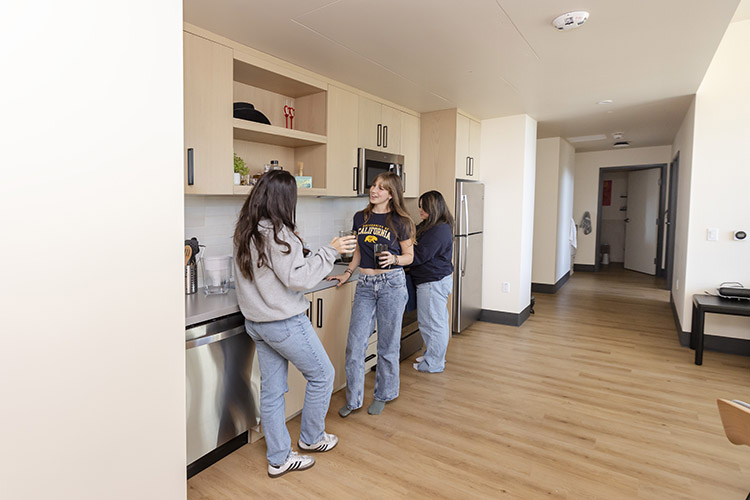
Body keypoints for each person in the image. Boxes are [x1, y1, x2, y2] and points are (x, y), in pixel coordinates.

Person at [233, 169, 356, 478]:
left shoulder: (246, 229)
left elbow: (279, 270)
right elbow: (297, 278)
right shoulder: (277, 233)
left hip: (258, 324)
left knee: (272, 392)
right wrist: (331, 250)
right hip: (284, 322)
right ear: (284, 199)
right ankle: (312, 438)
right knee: (323, 375)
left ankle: (279, 458)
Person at [328, 172, 415, 416]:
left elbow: (410, 256)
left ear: (391, 194)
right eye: (374, 185)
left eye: (381, 188)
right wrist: (347, 273)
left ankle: (384, 394)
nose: (374, 190)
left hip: (392, 284)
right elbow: (357, 251)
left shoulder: (401, 221)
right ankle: (353, 399)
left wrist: (396, 258)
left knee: (387, 346)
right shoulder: (361, 217)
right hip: (365, 284)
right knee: (355, 345)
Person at [409, 191, 454, 373]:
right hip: (436, 280)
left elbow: (419, 256)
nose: (420, 210)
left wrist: (399, 256)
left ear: (433, 208)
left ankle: (433, 363)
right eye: (420, 206)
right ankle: (433, 355)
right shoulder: (434, 225)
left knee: (432, 324)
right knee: (437, 322)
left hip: (432, 282)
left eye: (423, 207)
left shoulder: (438, 230)